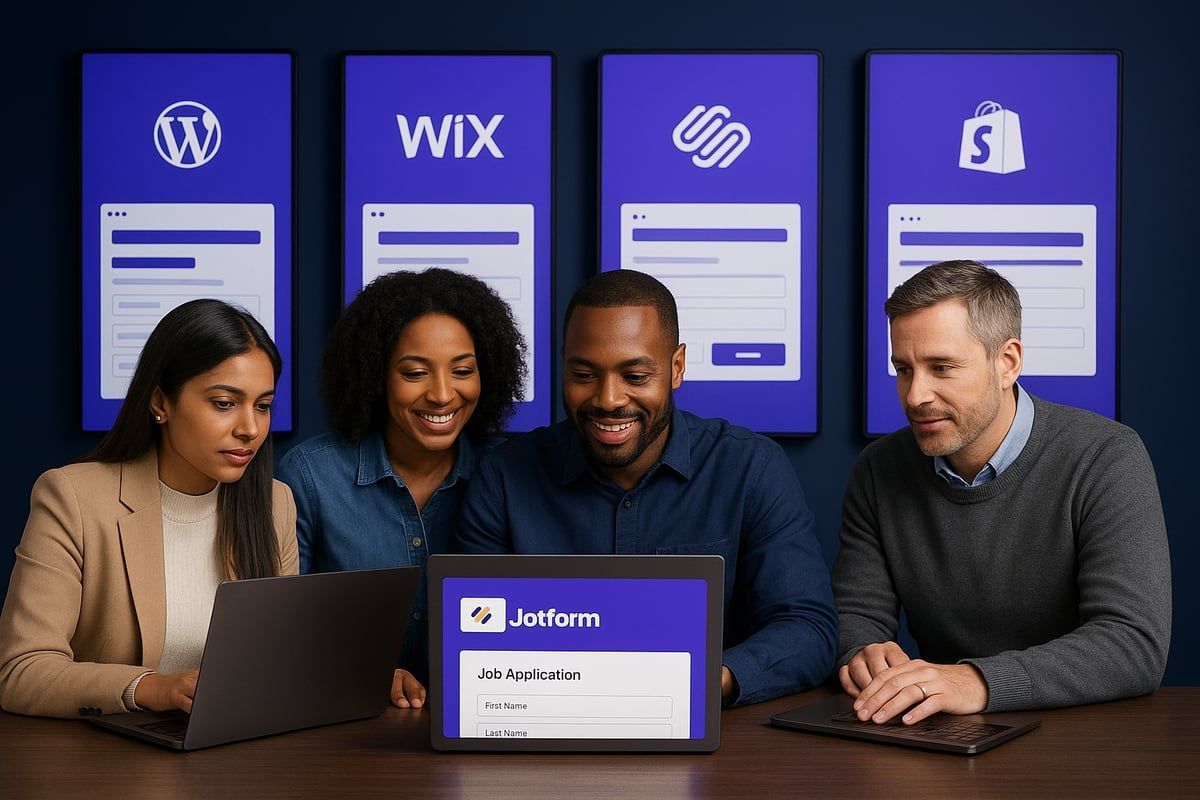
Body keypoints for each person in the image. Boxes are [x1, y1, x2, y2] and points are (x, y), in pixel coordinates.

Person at [455, 269, 837, 706]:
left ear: (676, 368)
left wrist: (709, 681)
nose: (609, 399)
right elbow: (470, 631)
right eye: (584, 375)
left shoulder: (750, 468)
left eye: (635, 377)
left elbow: (808, 627)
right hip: (540, 728)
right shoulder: (504, 476)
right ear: (563, 364)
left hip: (708, 742)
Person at [834, 260, 1171, 726]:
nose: (915, 396)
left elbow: (1133, 643)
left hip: (1082, 735)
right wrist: (863, 653)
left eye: (942, 367)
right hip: (946, 734)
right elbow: (857, 615)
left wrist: (976, 681)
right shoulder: (878, 470)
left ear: (1007, 362)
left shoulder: (1106, 457)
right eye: (904, 369)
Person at [0, 300, 297, 719]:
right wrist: (150, 688)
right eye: (224, 403)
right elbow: (21, 671)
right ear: (161, 402)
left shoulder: (274, 503)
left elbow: (280, 663)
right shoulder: (71, 498)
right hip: (106, 761)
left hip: (233, 753)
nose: (250, 428)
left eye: (262, 405)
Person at [277, 269, 525, 709]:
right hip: (345, 727)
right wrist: (362, 669)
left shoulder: (509, 472)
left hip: (483, 722)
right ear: (376, 376)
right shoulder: (310, 476)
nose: (443, 394)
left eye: (463, 370)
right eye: (415, 373)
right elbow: (283, 626)